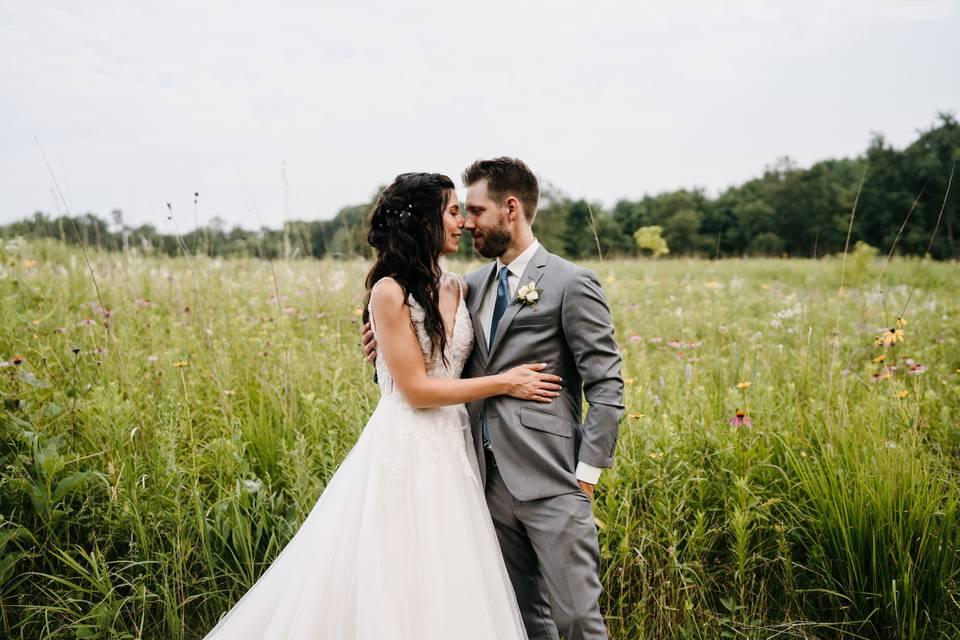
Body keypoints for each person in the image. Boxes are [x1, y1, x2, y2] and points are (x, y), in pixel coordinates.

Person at [202, 171, 563, 639]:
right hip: (406, 444)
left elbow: (469, 355)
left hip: (454, 445)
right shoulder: (389, 291)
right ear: (425, 221)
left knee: (449, 565)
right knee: (399, 566)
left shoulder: (462, 287)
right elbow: (416, 390)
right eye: (454, 213)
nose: (464, 224)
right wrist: (504, 384)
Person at [362, 158, 624, 640]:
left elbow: (607, 384)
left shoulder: (571, 282)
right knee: (521, 620)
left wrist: (586, 477)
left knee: (576, 619)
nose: (466, 223)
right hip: (479, 480)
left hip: (552, 476)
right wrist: (383, 346)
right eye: (459, 213)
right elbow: (432, 359)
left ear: (511, 209)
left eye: (476, 211)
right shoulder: (467, 287)